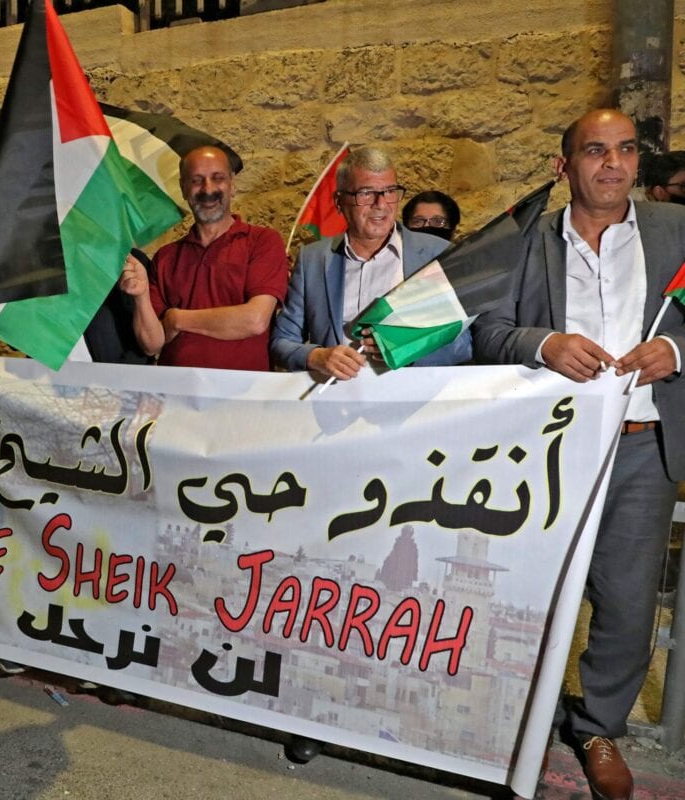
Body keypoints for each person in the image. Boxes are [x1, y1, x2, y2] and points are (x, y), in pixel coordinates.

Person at [474, 108, 685, 800]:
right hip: (548, 446)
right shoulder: (527, 240)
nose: (613, 163)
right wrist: (544, 345)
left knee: (626, 601)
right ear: (565, 166)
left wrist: (675, 351)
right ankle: (510, 716)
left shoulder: (675, 230)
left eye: (625, 149)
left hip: (640, 447)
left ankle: (596, 727)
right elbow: (489, 331)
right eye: (595, 150)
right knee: (523, 587)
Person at [271, 146, 471, 380]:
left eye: (390, 191)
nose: (381, 204)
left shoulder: (438, 254)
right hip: (338, 400)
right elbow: (281, 341)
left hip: (415, 402)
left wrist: (409, 351)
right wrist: (316, 356)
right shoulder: (312, 260)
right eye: (366, 193)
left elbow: (464, 343)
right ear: (339, 202)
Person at [121, 145, 288, 371]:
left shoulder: (263, 241)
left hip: (246, 397)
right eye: (196, 180)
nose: (208, 189)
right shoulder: (165, 257)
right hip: (177, 394)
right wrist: (140, 296)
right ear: (183, 189)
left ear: (232, 185)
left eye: (217, 178)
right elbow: (152, 344)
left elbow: (255, 320)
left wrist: (177, 319)